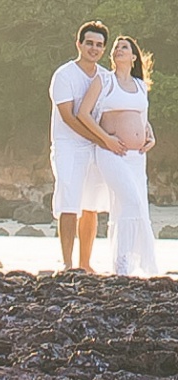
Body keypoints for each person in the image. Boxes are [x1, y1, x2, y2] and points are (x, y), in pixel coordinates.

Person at [76, 35, 159, 277]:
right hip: (111, 152)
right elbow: (83, 113)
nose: (118, 50)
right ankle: (122, 266)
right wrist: (106, 138)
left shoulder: (140, 86)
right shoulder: (104, 81)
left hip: (136, 157)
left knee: (138, 208)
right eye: (116, 48)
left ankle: (134, 267)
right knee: (130, 202)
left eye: (124, 47)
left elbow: (142, 120)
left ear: (134, 57)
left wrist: (150, 136)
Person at [49, 21, 111, 273]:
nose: (93, 49)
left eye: (99, 45)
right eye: (89, 43)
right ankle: (67, 263)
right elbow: (68, 116)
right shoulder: (64, 75)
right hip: (68, 146)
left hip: (95, 148)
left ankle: (85, 263)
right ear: (79, 44)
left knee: (91, 204)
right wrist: (101, 139)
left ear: (104, 49)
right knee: (69, 201)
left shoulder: (106, 77)